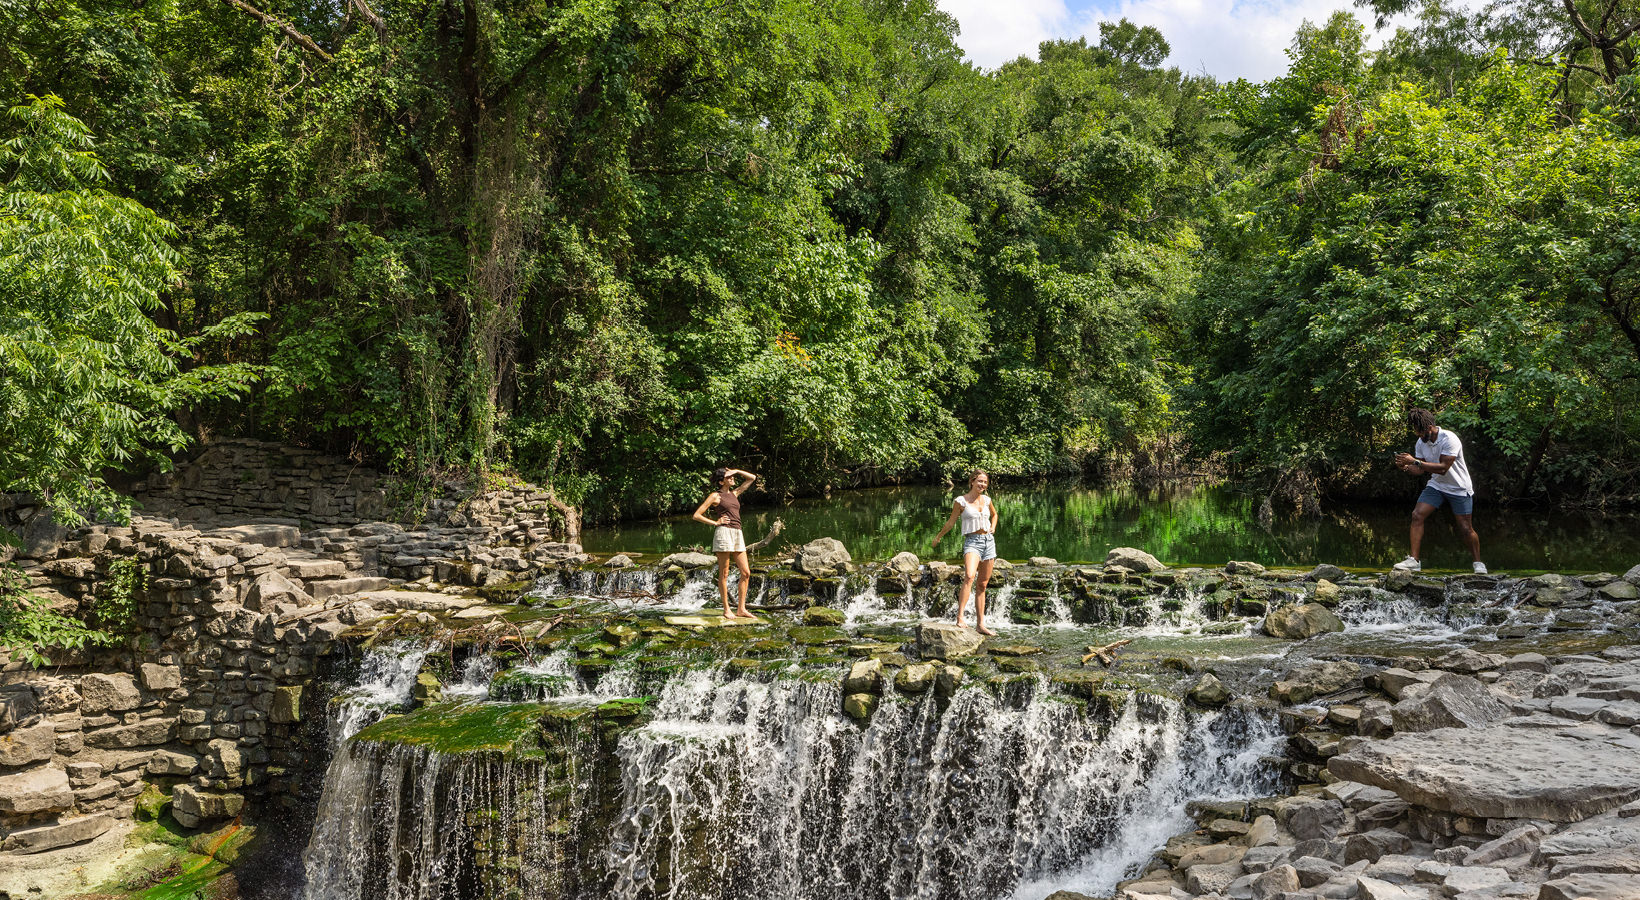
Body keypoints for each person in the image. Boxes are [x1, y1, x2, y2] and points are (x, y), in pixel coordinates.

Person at [1392, 409, 1486, 574]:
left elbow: (1443, 468)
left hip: (1459, 487)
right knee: (1417, 515)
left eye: (1419, 431)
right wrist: (1406, 467)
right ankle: (1414, 560)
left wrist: (1414, 461)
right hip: (1437, 485)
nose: (1417, 434)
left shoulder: (1449, 439)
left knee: (1465, 528)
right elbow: (1420, 470)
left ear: (1429, 428)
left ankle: (1478, 563)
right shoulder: (1421, 443)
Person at [932, 470, 999, 635]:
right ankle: (960, 618)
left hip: (989, 542)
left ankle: (980, 624)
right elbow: (951, 522)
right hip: (972, 542)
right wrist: (938, 537)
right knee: (969, 576)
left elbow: (995, 514)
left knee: (982, 584)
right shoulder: (961, 501)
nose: (982, 484)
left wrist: (993, 527)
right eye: (979, 481)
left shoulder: (987, 499)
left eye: (985, 482)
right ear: (972, 481)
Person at [691, 467, 759, 618]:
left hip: (737, 533)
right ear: (721, 481)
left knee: (746, 573)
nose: (732, 478)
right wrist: (715, 522)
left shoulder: (735, 493)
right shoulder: (715, 496)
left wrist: (735, 470)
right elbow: (696, 515)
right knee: (724, 573)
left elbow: (752, 478)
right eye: (729, 477)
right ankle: (727, 609)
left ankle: (741, 609)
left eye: (732, 476)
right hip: (723, 533)